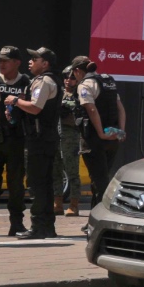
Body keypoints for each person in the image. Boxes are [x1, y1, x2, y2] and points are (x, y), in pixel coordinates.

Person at [4, 48, 61, 239]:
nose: (30, 61)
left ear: (45, 64)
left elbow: (36, 108)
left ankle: (38, 227)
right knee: (45, 183)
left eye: (35, 58)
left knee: (36, 184)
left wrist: (15, 101)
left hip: (39, 140)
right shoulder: (50, 80)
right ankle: (47, 226)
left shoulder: (44, 81)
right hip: (46, 138)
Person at [0, 46, 31, 238]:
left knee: (16, 185)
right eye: (0, 61)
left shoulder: (26, 82)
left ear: (17, 62)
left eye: (6, 60)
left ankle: (17, 224)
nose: (1, 64)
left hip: (16, 140)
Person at [70, 56, 126, 217]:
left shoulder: (85, 85)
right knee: (102, 178)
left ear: (77, 71)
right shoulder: (107, 82)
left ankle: (102, 217)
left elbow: (91, 110)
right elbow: (120, 108)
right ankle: (96, 217)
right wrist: (121, 131)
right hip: (113, 138)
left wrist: (101, 133)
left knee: (99, 181)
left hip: (95, 139)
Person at [57, 67, 83, 216]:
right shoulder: (58, 92)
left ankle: (74, 204)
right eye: (66, 77)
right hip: (57, 132)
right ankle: (57, 202)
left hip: (72, 134)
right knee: (56, 169)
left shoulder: (80, 93)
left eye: (72, 77)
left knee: (72, 170)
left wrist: (70, 106)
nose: (68, 80)